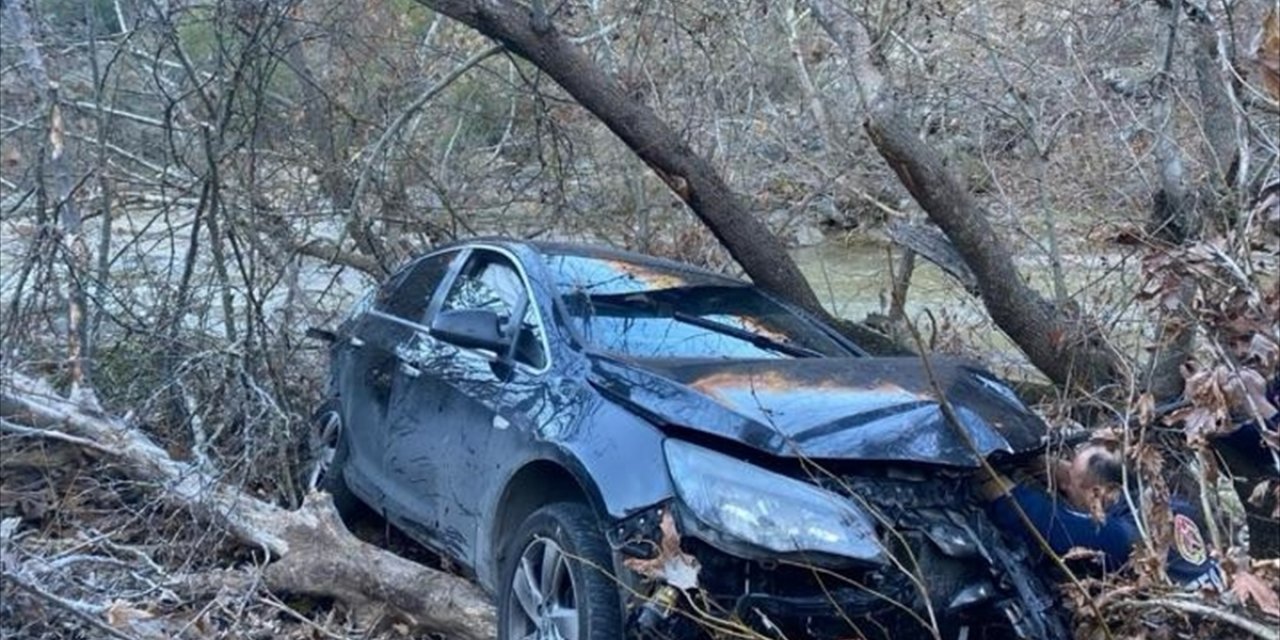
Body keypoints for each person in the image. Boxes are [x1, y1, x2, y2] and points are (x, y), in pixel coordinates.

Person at [978, 442, 1222, 587]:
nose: (1062, 487)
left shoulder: (1129, 535)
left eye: (1069, 485)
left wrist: (988, 478)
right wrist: (1034, 460)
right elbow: (1080, 474)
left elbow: (1055, 526)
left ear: (1100, 493)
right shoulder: (1173, 506)